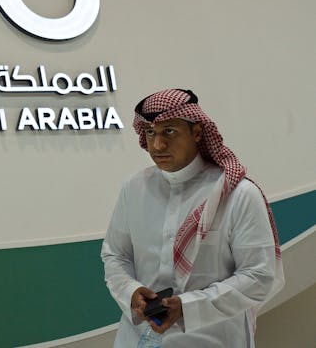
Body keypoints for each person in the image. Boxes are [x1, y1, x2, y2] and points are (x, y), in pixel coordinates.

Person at [101, 89, 284, 347]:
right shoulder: (134, 188)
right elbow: (115, 255)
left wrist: (187, 307)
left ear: (197, 133)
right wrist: (131, 293)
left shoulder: (238, 194)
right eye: (151, 133)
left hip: (211, 339)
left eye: (170, 132)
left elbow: (258, 276)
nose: (157, 145)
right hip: (138, 339)